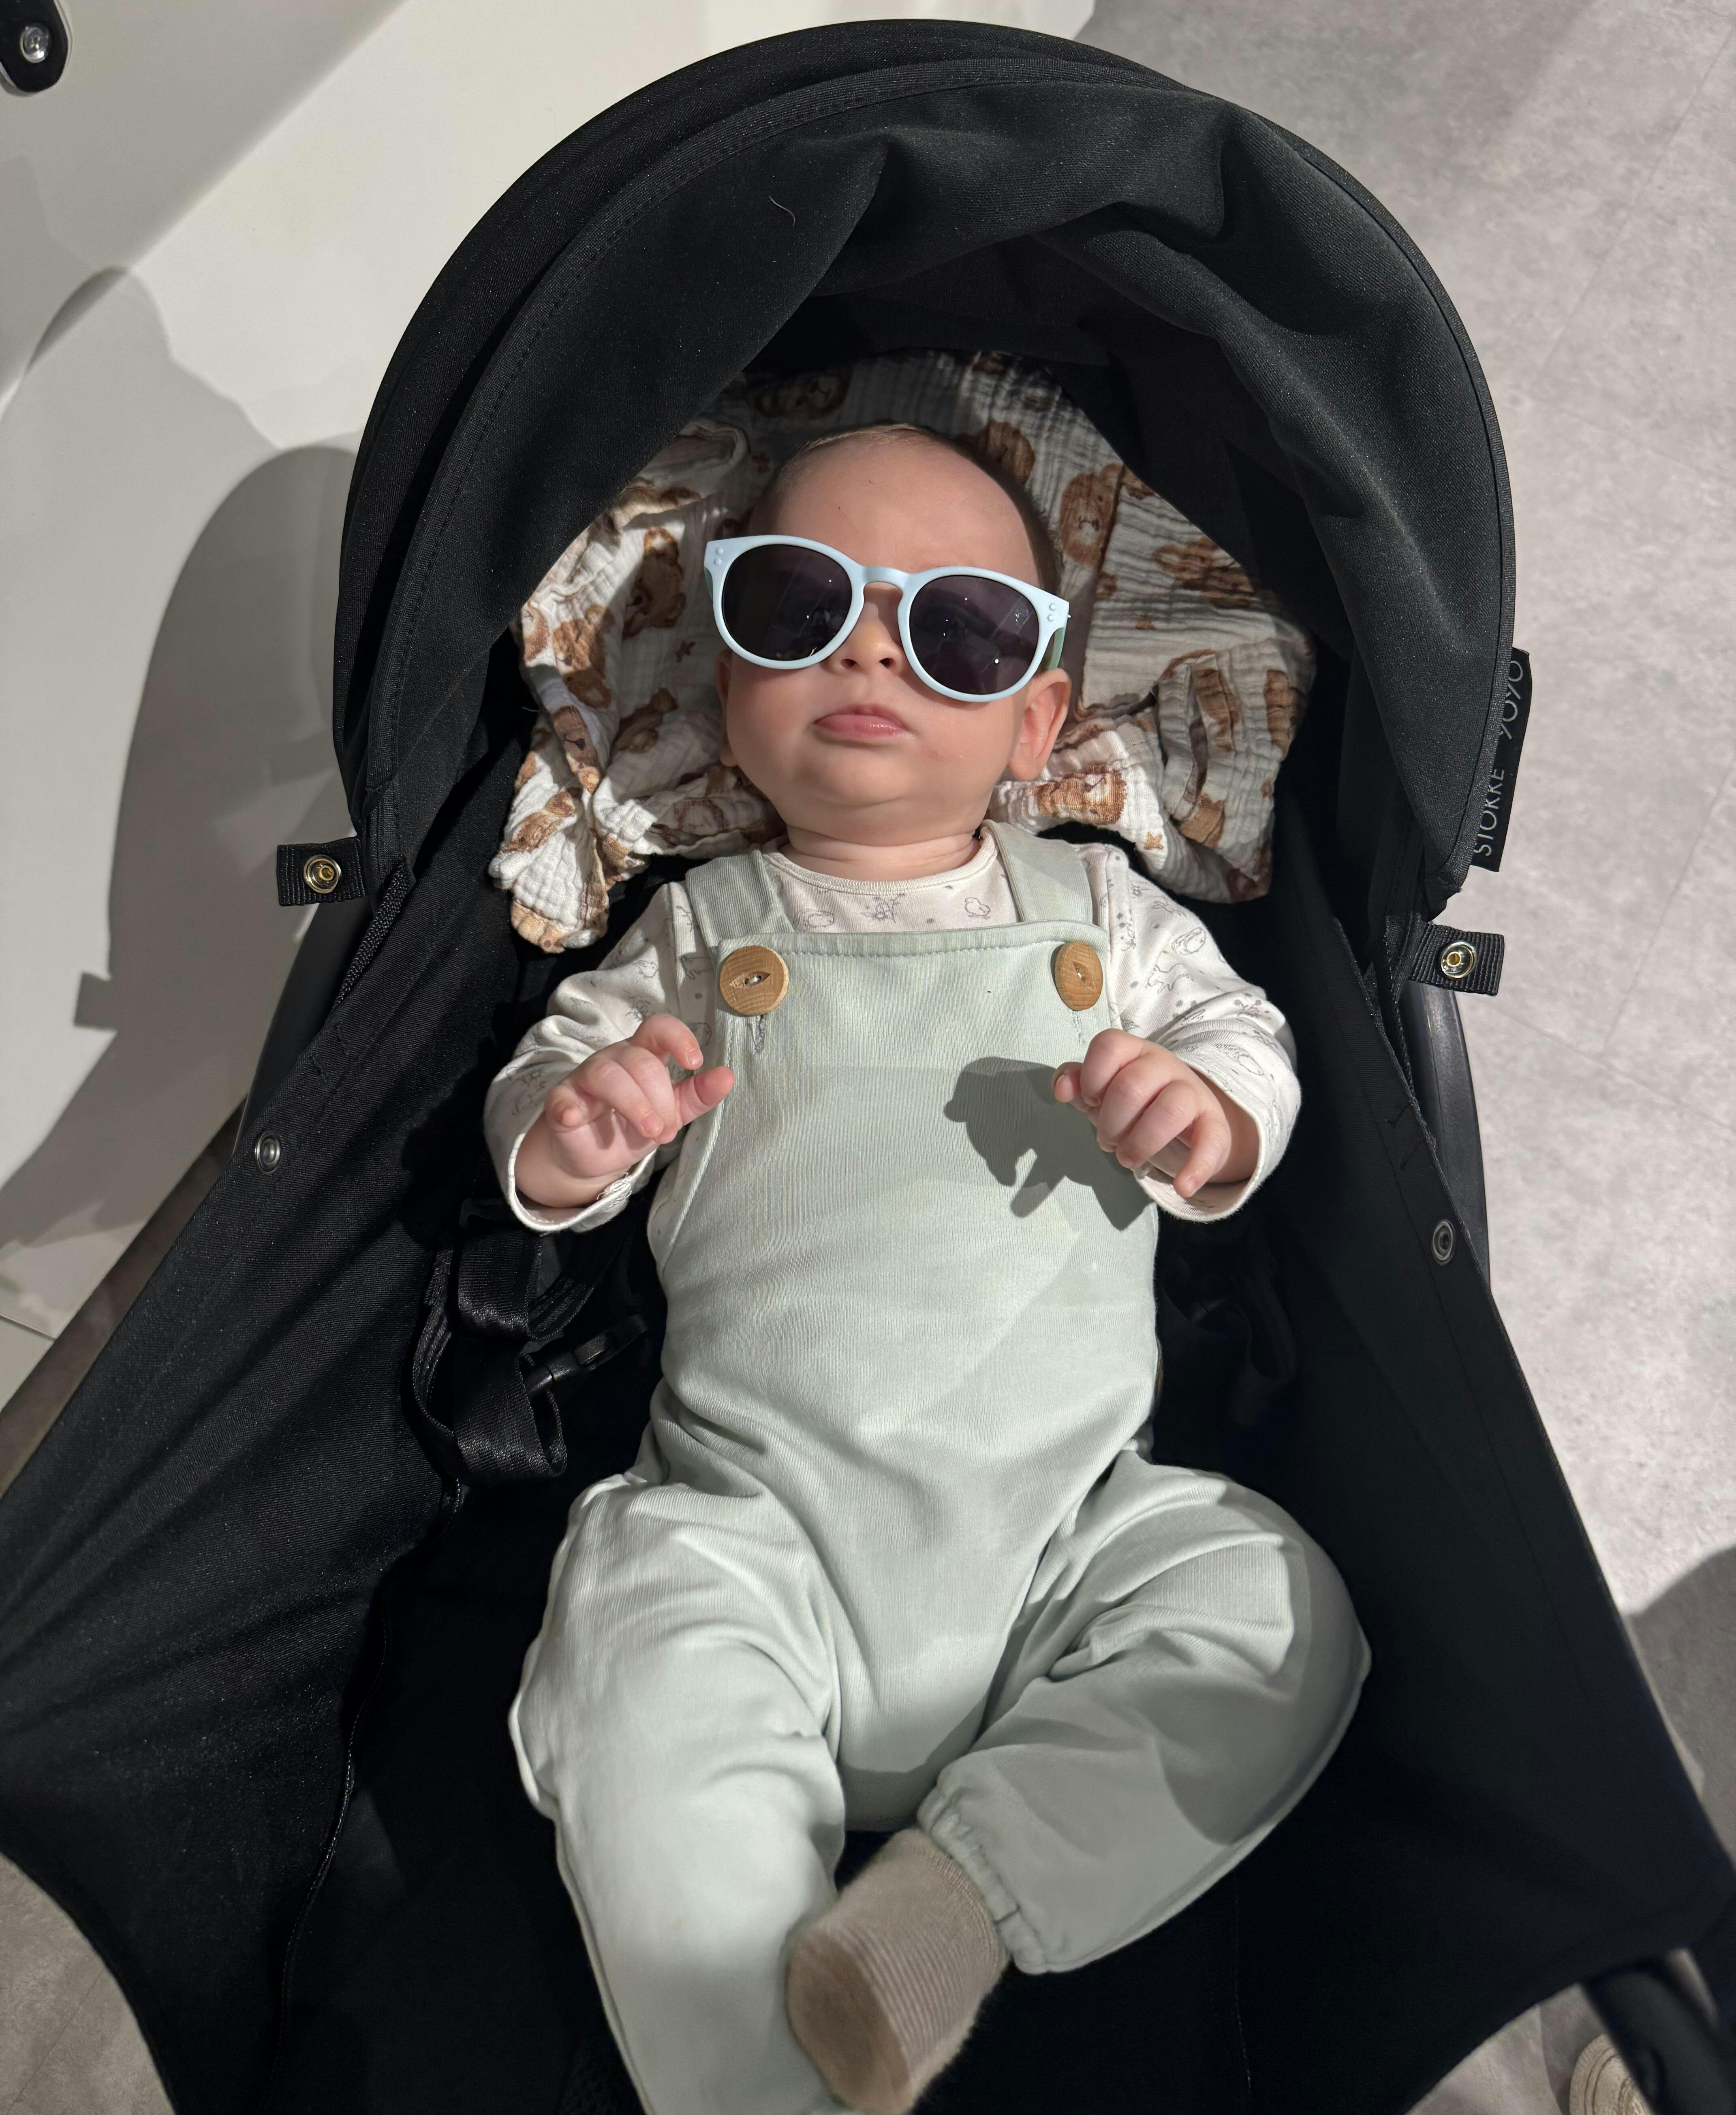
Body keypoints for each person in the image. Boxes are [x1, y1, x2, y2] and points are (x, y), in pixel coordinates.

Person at [485, 423, 1368, 2115]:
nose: (871, 654)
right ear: (723, 674)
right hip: (756, 1530)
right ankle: (755, 2079)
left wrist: (1206, 1115)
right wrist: (573, 1133)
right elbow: (552, 1075)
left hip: (1066, 1539)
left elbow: (1245, 1036)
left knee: (1272, 1604)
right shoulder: (700, 930)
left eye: (957, 629)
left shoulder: (1103, 917)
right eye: (799, 605)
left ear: (1036, 721)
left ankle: (950, 1910)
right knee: (632, 1645)